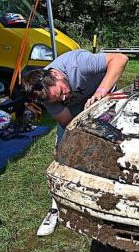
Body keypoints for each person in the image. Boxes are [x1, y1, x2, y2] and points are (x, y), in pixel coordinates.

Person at [22, 49, 128, 236]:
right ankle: (56, 208)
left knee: (115, 148)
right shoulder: (46, 94)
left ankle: (114, 200)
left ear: (55, 75)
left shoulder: (78, 63)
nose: (64, 98)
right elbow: (68, 124)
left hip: (103, 97)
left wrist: (101, 92)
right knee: (64, 154)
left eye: (62, 92)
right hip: (78, 111)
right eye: (59, 99)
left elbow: (120, 59)